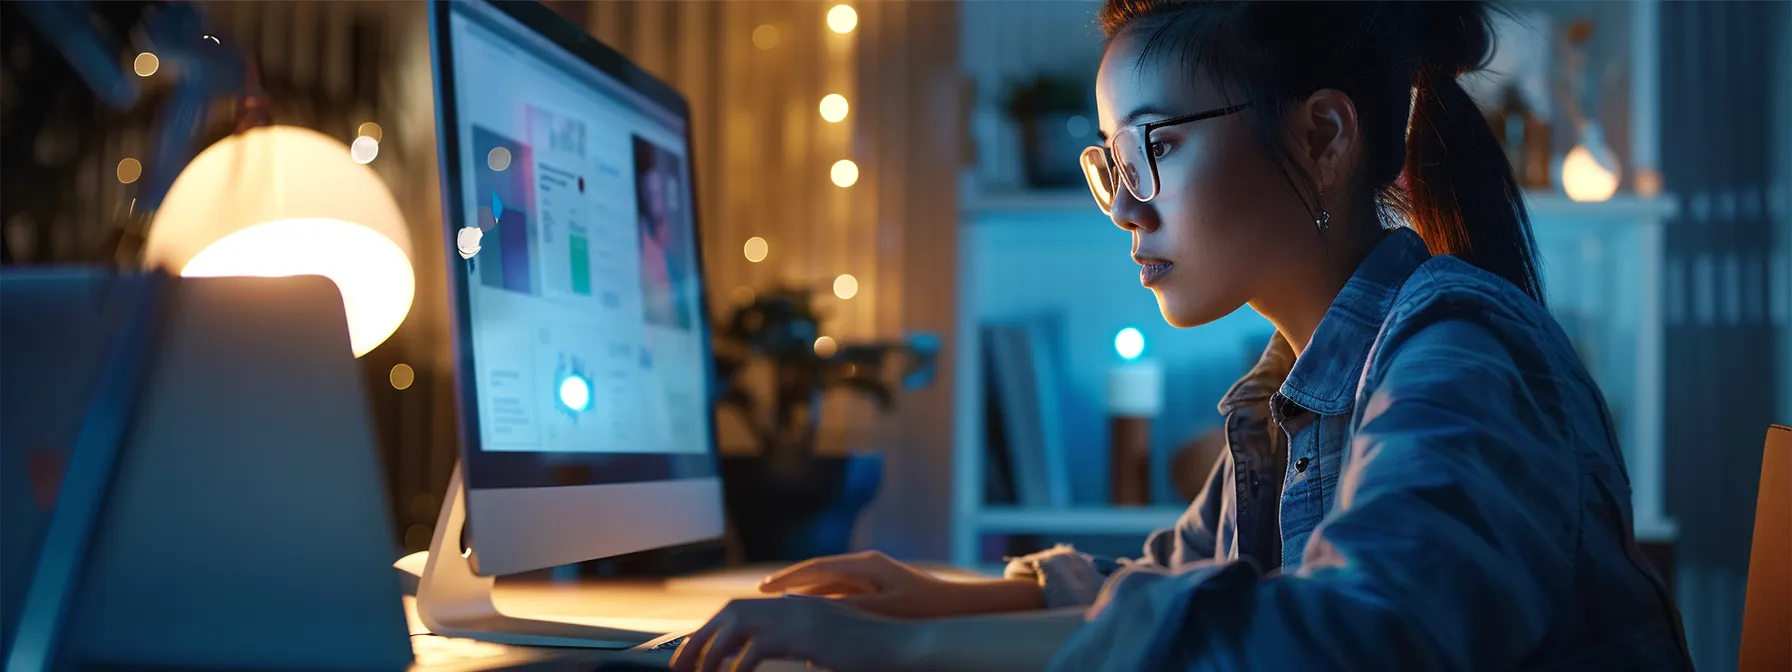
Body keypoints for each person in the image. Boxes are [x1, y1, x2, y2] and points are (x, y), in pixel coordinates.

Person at [671, 2, 1694, 670]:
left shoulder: (1458, 348)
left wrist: (893, 654)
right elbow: (1176, 585)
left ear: (1321, 137)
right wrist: (936, 601)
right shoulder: (1298, 383)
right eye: (1109, 162)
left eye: (1154, 147)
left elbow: (1359, 643)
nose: (1124, 208)